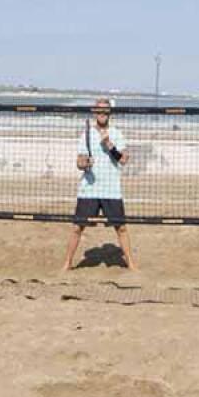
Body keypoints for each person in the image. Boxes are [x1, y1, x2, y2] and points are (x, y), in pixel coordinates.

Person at [61, 96, 137, 272]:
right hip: (89, 189)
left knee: (121, 228)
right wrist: (84, 163)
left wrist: (110, 146)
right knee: (77, 228)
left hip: (111, 189)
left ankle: (131, 264)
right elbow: (79, 162)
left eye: (105, 110)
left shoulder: (117, 133)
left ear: (109, 113)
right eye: (99, 110)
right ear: (94, 112)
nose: (102, 113)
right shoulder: (86, 133)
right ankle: (67, 263)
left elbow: (124, 159)